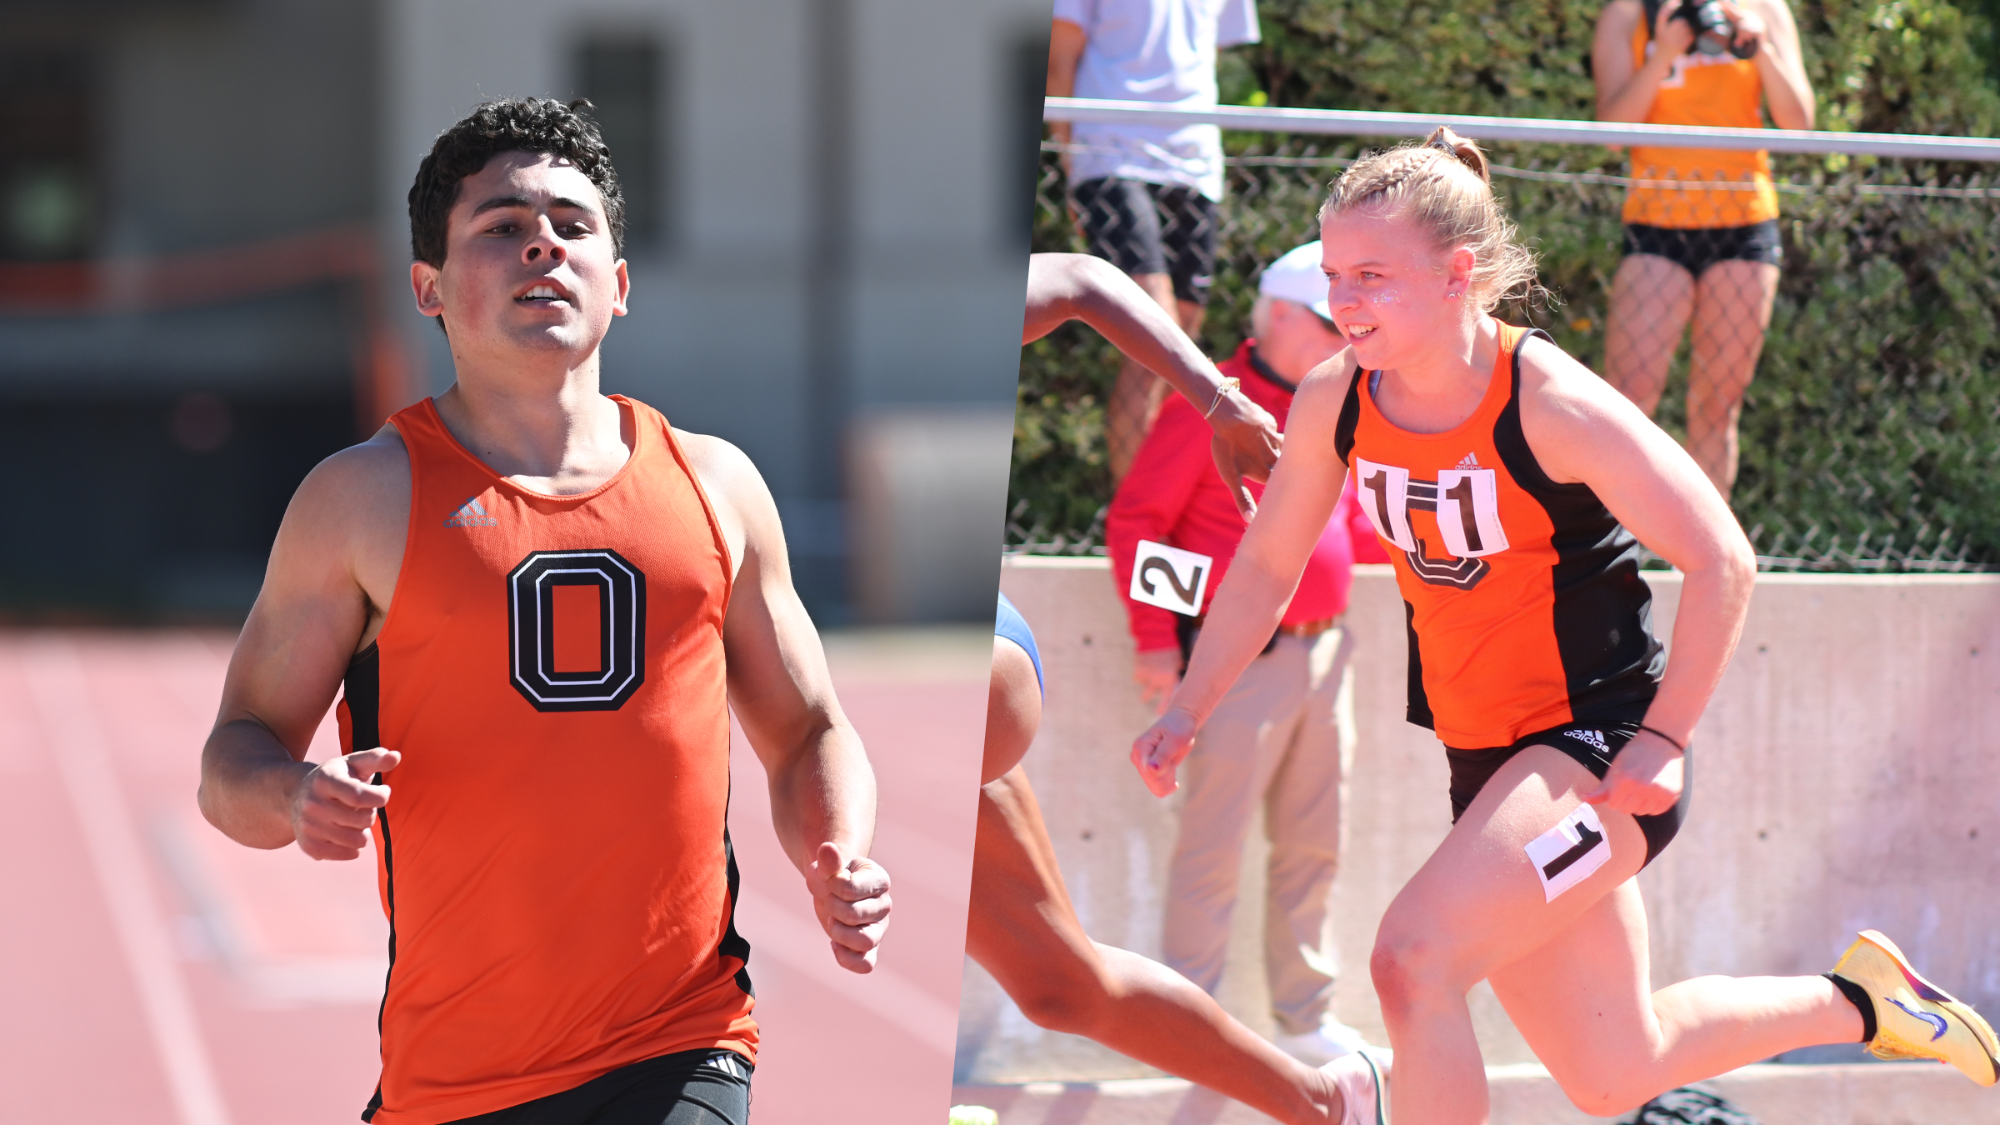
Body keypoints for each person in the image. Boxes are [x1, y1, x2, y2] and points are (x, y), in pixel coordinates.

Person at [1132, 128, 1996, 1125]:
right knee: (1613, 1069)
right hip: (1490, 767)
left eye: (1371, 275)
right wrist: (1188, 707)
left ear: (1458, 273)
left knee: (1411, 961)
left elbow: (1721, 557)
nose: (1344, 301)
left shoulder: (1545, 401)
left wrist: (1664, 740)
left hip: (1596, 749)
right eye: (1332, 275)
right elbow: (1266, 567)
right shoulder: (1337, 399)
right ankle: (1862, 1003)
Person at [197, 99, 891, 1125]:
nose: (541, 246)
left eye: (572, 226)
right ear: (428, 288)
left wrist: (840, 851)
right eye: (501, 226)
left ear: (616, 284)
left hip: (681, 1042)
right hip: (454, 1076)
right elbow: (231, 760)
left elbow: (808, 732)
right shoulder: (362, 499)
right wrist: (296, 798)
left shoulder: (716, 486)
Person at [1106, 240, 1386, 1065]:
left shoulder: (1337, 401)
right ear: (1281, 318)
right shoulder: (1214, 407)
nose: (1347, 337)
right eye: (1332, 322)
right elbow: (1139, 524)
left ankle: (1304, 1017)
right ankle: (1184, 1020)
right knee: (1213, 847)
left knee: (1314, 842)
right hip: (1239, 669)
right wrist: (1160, 641)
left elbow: (1348, 526)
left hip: (1327, 654)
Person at [974, 594, 1387, 1125]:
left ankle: (1313, 1050)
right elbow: (1146, 524)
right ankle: (1332, 1102)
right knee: (1061, 987)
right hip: (988, 660)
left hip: (968, 669)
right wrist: (1158, 640)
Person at [1592, 0, 1815, 498]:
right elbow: (1610, 132)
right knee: (1627, 399)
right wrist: (1661, 54)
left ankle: (1709, 558)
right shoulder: (1627, 15)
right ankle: (1611, 554)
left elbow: (1799, 123)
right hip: (1657, 225)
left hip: (1744, 225)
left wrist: (1761, 49)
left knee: (1717, 407)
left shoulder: (1766, 9)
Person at [1047, 0, 1261, 481]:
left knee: (1180, 341)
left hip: (1195, 165)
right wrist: (1072, 165)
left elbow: (1205, 54)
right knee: (1154, 333)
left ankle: (1163, 501)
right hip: (1110, 157)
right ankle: (1138, 522)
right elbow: (1059, 60)